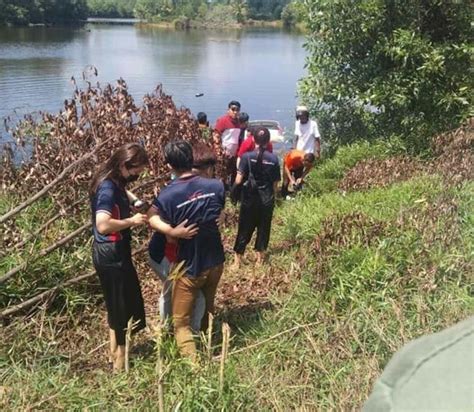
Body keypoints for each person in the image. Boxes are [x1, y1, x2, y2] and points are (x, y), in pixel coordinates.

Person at [148, 140, 225, 362]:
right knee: (208, 304)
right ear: (191, 159)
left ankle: (195, 369)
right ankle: (207, 343)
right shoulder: (216, 186)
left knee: (180, 323)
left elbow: (152, 217)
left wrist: (172, 230)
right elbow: (217, 213)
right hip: (216, 260)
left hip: (190, 265)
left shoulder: (168, 195)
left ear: (170, 165)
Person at [89, 143, 149, 372]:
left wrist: (135, 202)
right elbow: (103, 224)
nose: (137, 175)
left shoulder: (110, 176)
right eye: (136, 171)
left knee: (119, 305)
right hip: (111, 254)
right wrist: (131, 222)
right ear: (125, 165)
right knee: (120, 307)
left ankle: (117, 353)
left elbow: (122, 189)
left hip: (115, 252)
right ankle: (119, 364)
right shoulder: (107, 188)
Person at [232, 127, 280, 268]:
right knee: (264, 228)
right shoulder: (274, 159)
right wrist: (273, 198)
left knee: (244, 228)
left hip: (249, 198)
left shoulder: (247, 157)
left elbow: (239, 180)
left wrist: (234, 194)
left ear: (253, 139)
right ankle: (260, 260)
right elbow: (275, 184)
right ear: (268, 141)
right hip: (266, 199)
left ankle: (237, 261)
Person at [213, 100, 242, 187]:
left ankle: (232, 190)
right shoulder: (223, 121)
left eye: (237, 110)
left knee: (233, 172)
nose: (235, 112)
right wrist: (219, 151)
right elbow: (215, 135)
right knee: (222, 173)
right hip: (224, 153)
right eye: (233, 109)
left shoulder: (239, 122)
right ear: (228, 110)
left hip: (234, 154)